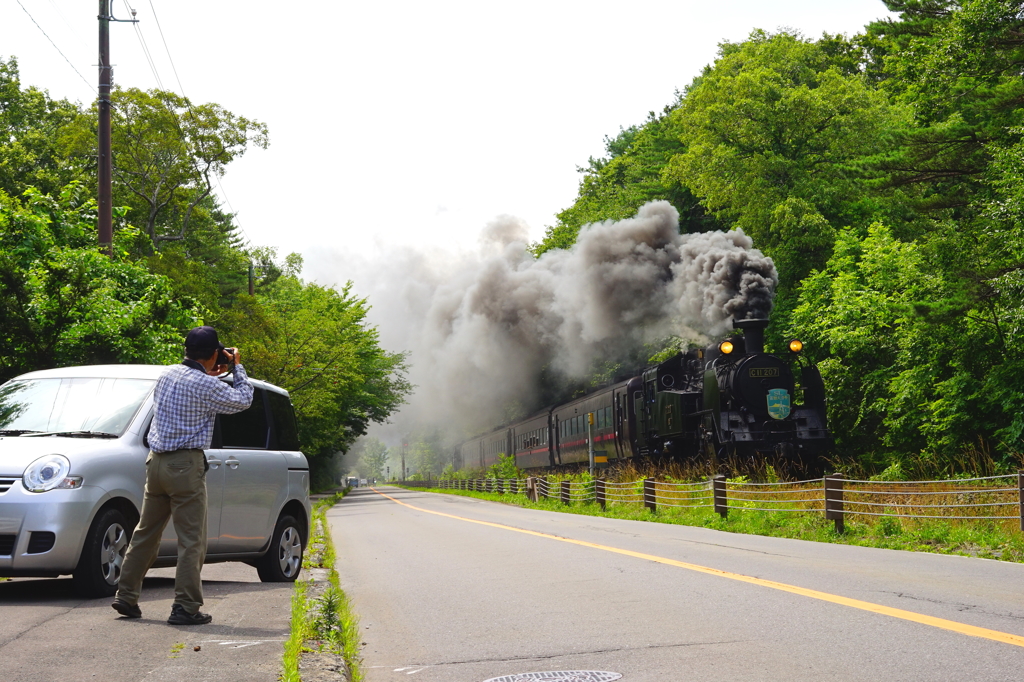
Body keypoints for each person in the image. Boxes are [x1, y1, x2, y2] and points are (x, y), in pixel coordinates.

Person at [112, 326, 254, 625]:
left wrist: (212, 373)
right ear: (215, 353)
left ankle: (125, 596)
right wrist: (237, 367)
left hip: (156, 463)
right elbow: (243, 399)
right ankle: (185, 607)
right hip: (185, 466)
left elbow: (195, 385)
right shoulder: (205, 386)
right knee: (191, 541)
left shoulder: (167, 375)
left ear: (186, 350)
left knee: (145, 533)